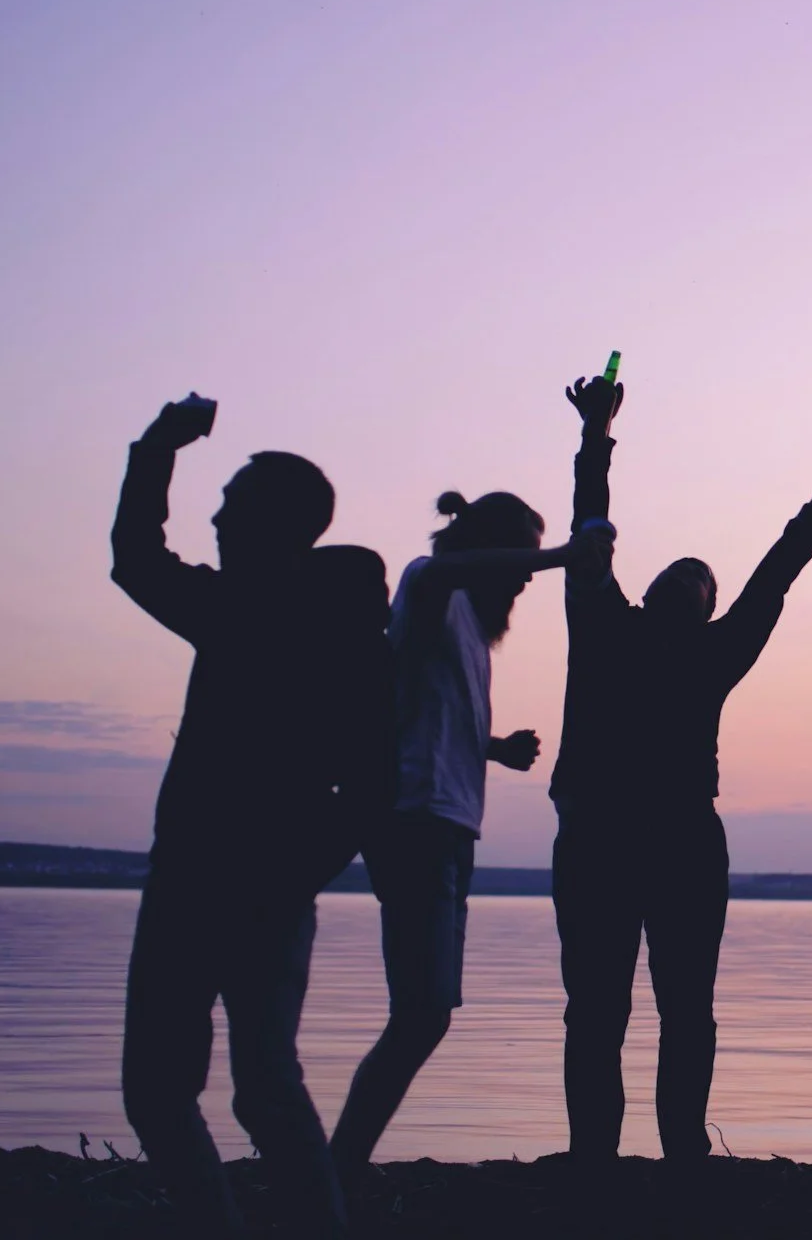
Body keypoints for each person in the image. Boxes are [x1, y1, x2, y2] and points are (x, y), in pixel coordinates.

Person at [549, 372, 812, 1166]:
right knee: (595, 1009)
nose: (684, 574)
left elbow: (772, 579)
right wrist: (596, 435)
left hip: (685, 841)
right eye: (676, 570)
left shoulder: (717, 651)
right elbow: (591, 528)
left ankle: (682, 1151)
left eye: (700, 577)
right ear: (648, 589)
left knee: (685, 1009)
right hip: (596, 835)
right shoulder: (601, 624)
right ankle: (595, 1158)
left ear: (707, 605)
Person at [109, 394, 394, 1237]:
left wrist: (157, 445)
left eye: (232, 500)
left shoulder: (239, 609)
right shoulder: (346, 636)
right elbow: (375, 789)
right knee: (259, 1085)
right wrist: (301, 870)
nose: (218, 513)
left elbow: (134, 556)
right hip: (257, 887)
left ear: (276, 521)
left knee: (169, 1091)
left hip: (206, 880)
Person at [330, 490, 606, 1173]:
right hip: (415, 823)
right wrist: (563, 556)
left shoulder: (470, 631)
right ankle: (335, 1167)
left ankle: (338, 1164)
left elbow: (429, 712)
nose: (521, 578)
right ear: (485, 546)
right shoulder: (430, 584)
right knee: (421, 1013)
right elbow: (447, 574)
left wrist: (494, 747)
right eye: (514, 558)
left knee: (426, 1014)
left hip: (452, 829)